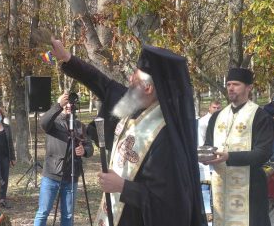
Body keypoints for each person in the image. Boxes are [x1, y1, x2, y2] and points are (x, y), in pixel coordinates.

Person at [50, 40, 205, 226]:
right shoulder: (135, 107)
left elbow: (172, 205)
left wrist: (123, 187)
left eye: (134, 76)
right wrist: (67, 58)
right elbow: (103, 84)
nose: (129, 79)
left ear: (148, 88)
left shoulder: (166, 137)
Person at [202, 68, 273, 226]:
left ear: (249, 88)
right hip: (222, 184)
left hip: (250, 186)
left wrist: (229, 157)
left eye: (236, 84)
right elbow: (209, 144)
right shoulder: (217, 116)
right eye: (228, 84)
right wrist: (206, 155)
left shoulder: (260, 116)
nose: (231, 88)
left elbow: (263, 153)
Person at [33, 93, 93, 226]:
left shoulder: (79, 125)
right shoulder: (53, 122)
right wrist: (58, 105)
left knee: (68, 215)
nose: (69, 106)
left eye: (71, 103)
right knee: (43, 212)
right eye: (66, 103)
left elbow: (89, 146)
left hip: (71, 175)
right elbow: (43, 122)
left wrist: (85, 151)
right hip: (52, 175)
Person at [198, 100, 221, 217]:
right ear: (209, 108)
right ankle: (207, 212)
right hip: (205, 157)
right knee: (206, 187)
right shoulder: (203, 122)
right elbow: (201, 141)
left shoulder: (221, 120)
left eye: (218, 108)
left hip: (219, 156)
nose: (216, 110)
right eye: (214, 107)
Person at [0, 107, 16, 207]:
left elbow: (11, 143)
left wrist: (13, 158)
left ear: (2, 116)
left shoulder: (7, 127)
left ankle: (2, 199)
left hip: (5, 156)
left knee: (5, 178)